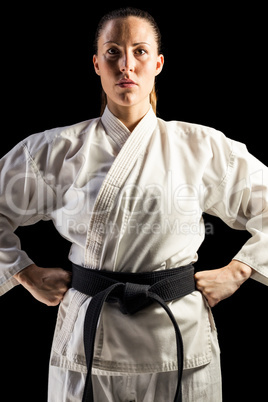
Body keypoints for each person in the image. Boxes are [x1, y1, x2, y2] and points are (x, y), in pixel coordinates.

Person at [0, 7, 267, 402]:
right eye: (113, 52)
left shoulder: (201, 146)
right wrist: (22, 272)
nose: (126, 65)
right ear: (96, 63)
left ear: (158, 63)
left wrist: (241, 269)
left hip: (178, 339)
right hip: (90, 338)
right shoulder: (57, 149)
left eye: (140, 52)